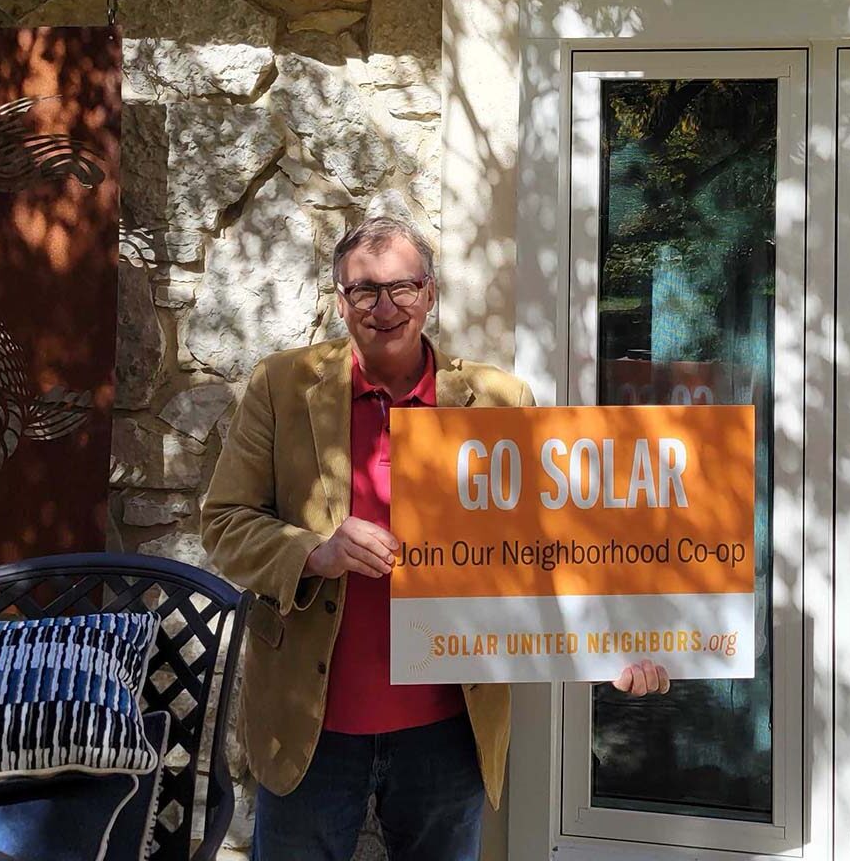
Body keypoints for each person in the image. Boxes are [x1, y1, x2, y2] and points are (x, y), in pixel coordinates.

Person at [201, 216, 668, 861]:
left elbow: (551, 549)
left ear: (430, 293)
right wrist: (315, 551)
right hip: (308, 723)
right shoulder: (281, 387)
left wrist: (616, 645)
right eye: (365, 291)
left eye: (403, 287)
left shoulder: (500, 402)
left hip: (449, 728)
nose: (385, 307)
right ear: (341, 301)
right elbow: (225, 522)